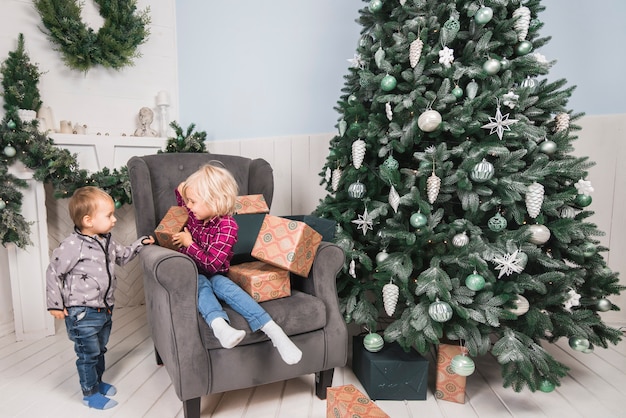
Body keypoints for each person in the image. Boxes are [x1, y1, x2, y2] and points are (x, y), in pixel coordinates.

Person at [171, 164, 302, 365]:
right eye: (189, 201)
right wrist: (185, 189)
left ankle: (274, 331)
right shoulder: (195, 214)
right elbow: (181, 193)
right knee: (201, 286)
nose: (188, 206)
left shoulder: (227, 226)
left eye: (193, 201)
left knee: (225, 287)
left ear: (213, 201)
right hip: (194, 273)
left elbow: (212, 265)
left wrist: (189, 245)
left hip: (215, 272)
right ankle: (221, 327)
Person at [46, 186, 155, 410]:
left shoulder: (106, 241)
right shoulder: (72, 246)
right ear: (88, 220)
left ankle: (97, 382)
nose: (114, 220)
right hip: (81, 312)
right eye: (109, 215)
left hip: (104, 309)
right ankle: (90, 393)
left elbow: (123, 257)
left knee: (99, 349)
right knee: (88, 354)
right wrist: (55, 304)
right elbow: (54, 271)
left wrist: (139, 244)